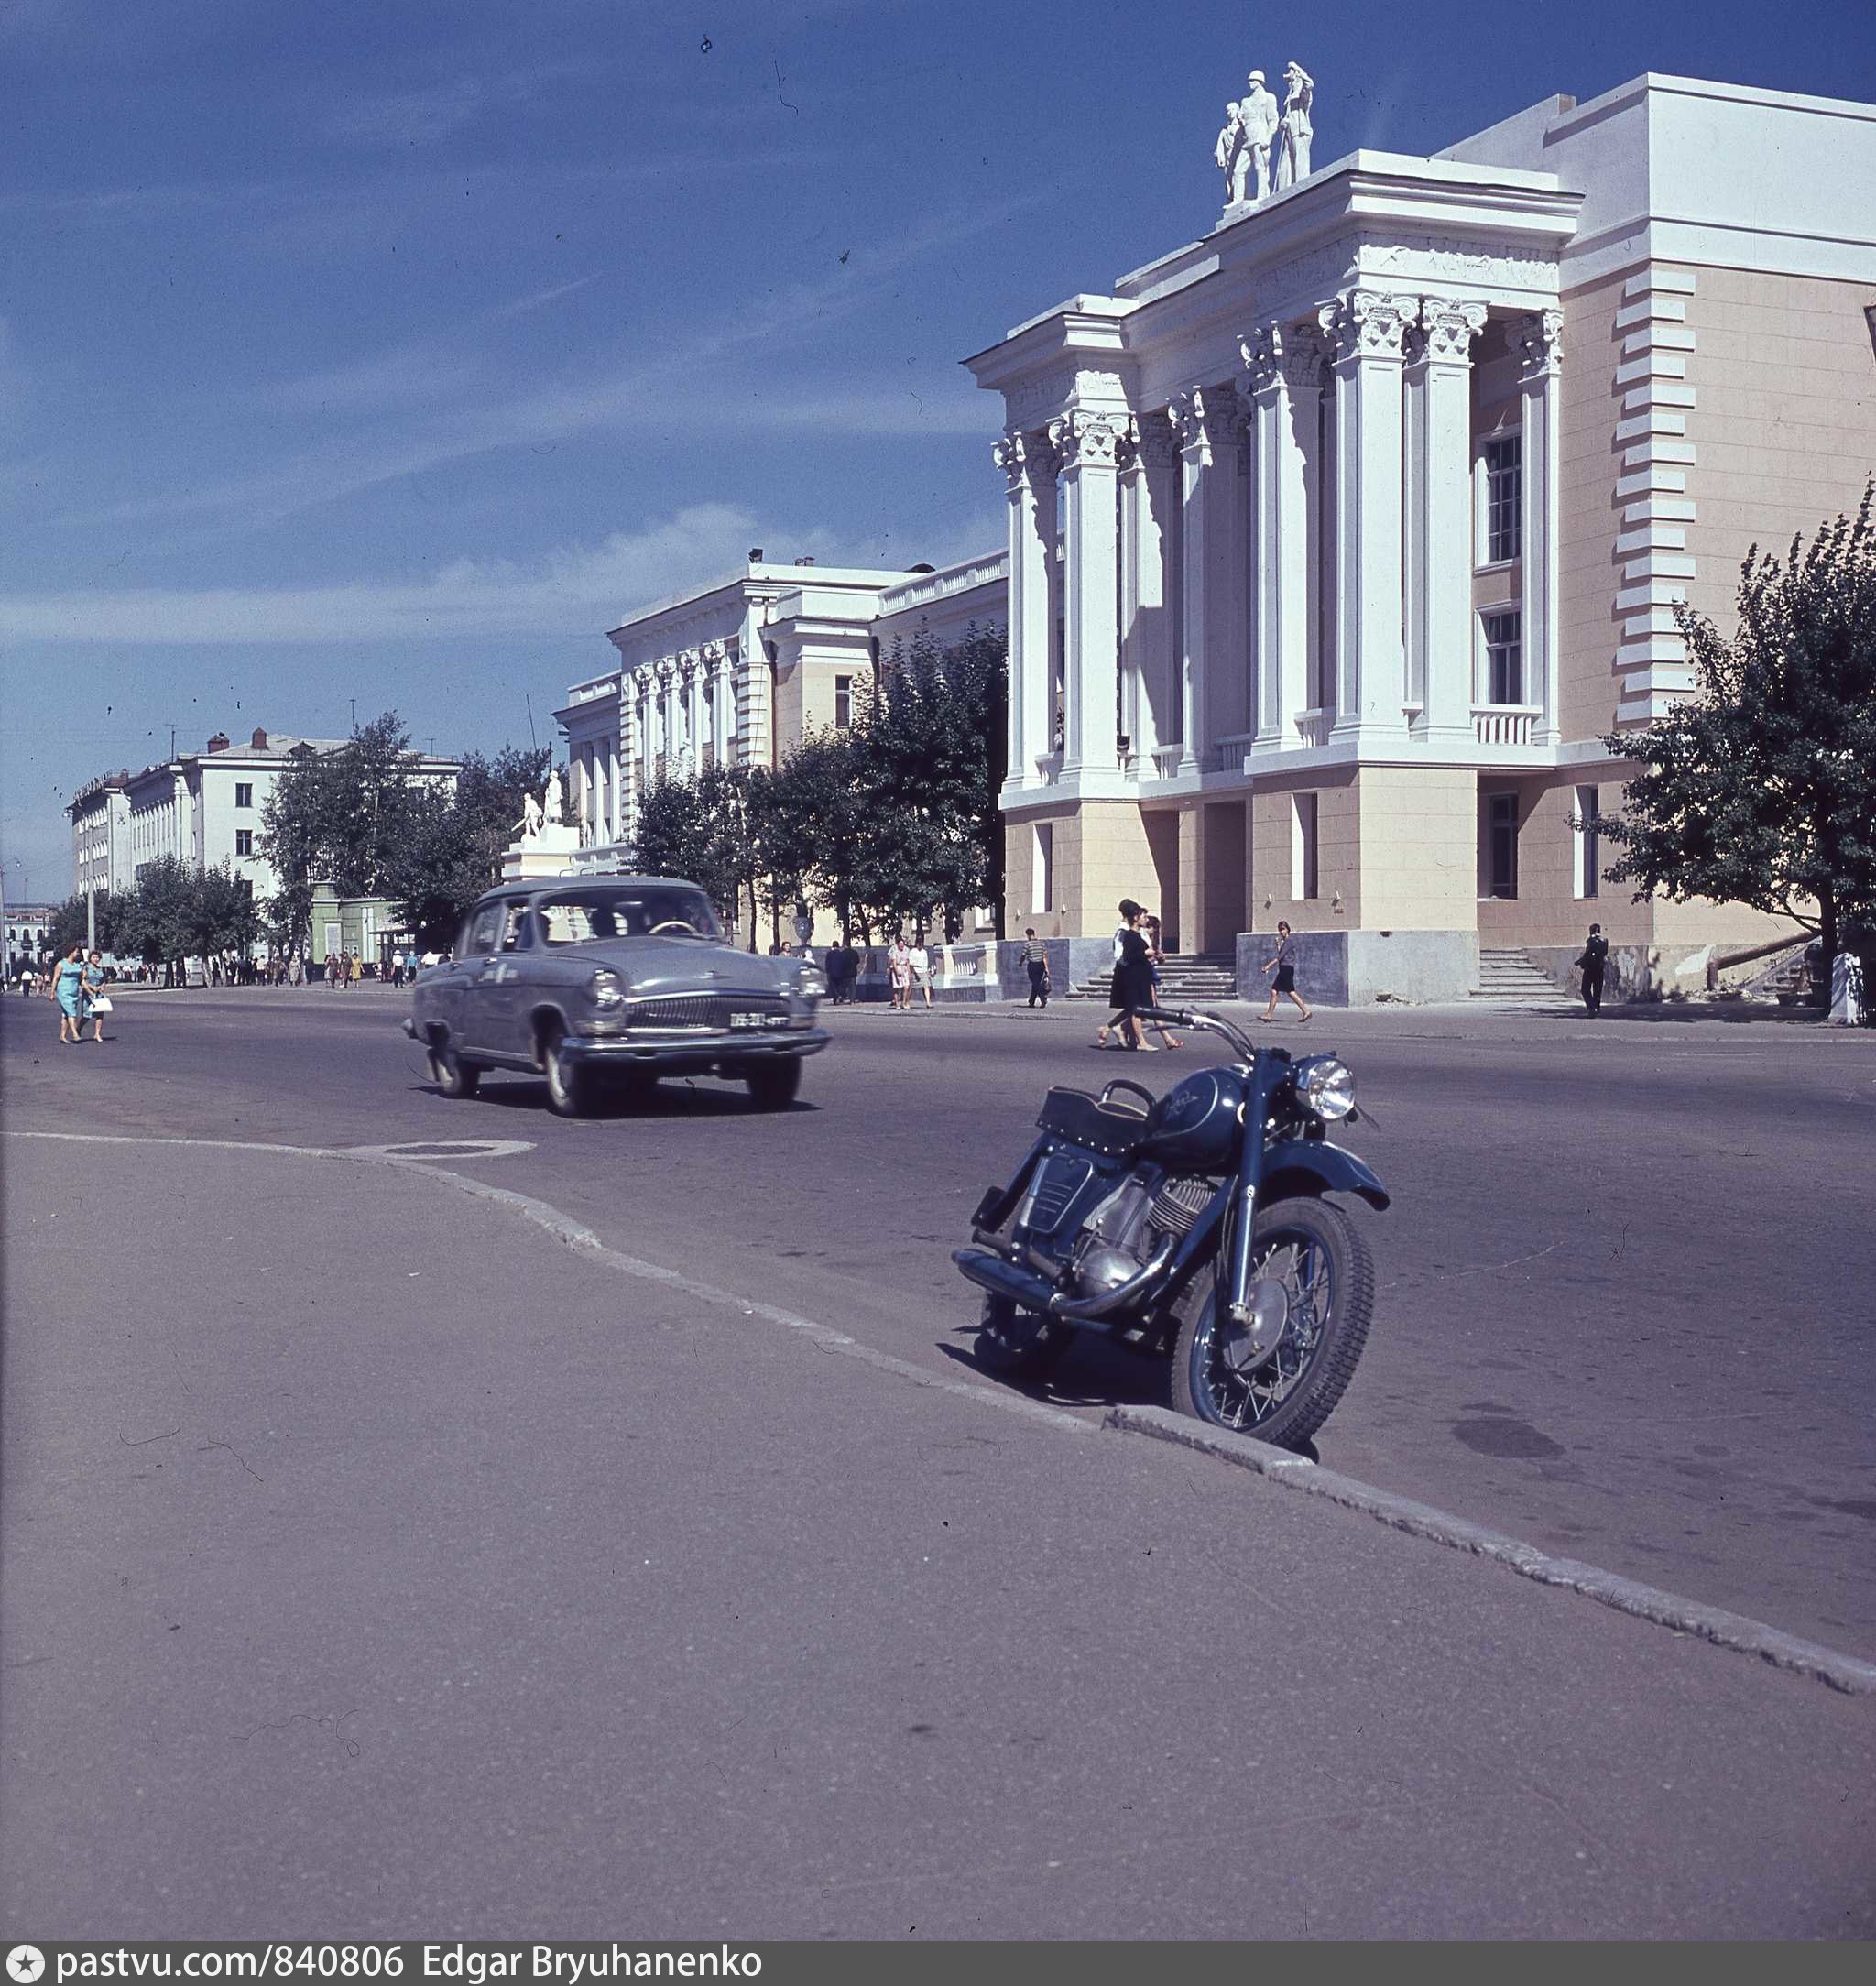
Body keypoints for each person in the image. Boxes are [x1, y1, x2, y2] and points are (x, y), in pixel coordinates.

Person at [1096, 901, 1155, 1051]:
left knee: (1134, 1008)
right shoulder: (1124, 931)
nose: (1145, 918)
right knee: (1135, 1007)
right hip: (1128, 971)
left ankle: (1113, 1029)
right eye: (1140, 914)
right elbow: (1121, 955)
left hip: (1137, 970)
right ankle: (1133, 1038)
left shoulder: (1133, 931)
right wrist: (1141, 957)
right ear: (1133, 915)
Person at [1140, 914, 1183, 1049]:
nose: (1154, 931)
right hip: (1144, 975)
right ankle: (1167, 1039)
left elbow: (1155, 958)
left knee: (1143, 1009)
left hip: (1149, 975)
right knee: (1152, 1009)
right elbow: (1138, 956)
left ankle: (1118, 1029)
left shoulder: (1149, 940)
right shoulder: (1141, 938)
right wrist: (1151, 955)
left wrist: (1159, 957)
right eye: (1153, 928)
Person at [1260, 921, 1311, 1024]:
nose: (1281, 932)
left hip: (1286, 969)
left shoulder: (1288, 941)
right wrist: (1279, 946)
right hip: (1285, 968)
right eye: (1280, 930)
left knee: (1289, 992)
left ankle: (1306, 1011)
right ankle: (1269, 1014)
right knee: (1275, 991)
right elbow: (1283, 954)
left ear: (1287, 929)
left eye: (1283, 929)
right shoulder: (1286, 942)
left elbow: (1280, 957)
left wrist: (1267, 966)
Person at [49, 943, 85, 1044]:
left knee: (67, 1014)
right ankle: (75, 1034)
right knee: (72, 1012)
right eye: (76, 952)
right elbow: (55, 979)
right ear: (71, 952)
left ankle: (63, 1035)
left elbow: (81, 979)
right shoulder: (61, 964)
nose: (78, 954)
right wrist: (52, 992)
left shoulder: (77, 965)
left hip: (74, 992)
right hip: (63, 991)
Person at [1578, 922, 1609, 1017]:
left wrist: (1581, 962)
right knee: (1597, 989)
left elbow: (1588, 954)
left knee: (1585, 989)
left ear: (1592, 931)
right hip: (1600, 967)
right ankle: (1597, 1007)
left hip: (1590, 968)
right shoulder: (1605, 941)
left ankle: (1591, 1007)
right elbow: (1604, 953)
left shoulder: (1591, 941)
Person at [82, 949, 107, 1042]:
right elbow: (82, 981)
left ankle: (97, 1034)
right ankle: (78, 1029)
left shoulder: (100, 969)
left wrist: (102, 986)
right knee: (86, 1016)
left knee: (100, 1015)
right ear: (90, 958)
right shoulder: (86, 968)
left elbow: (104, 980)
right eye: (94, 957)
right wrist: (92, 987)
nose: (96, 959)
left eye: (97, 957)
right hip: (88, 994)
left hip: (99, 994)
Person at [1022, 928, 1050, 1009]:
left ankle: (1043, 999)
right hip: (1041, 965)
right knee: (1036, 983)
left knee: (1036, 983)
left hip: (1032, 965)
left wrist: (1020, 962)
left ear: (1028, 935)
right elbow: (1044, 956)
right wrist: (1046, 968)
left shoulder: (1028, 944)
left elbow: (1023, 955)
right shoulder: (1041, 943)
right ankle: (1031, 1002)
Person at [887, 934, 912, 1011]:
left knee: (906, 987)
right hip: (897, 968)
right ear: (897, 944)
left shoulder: (906, 950)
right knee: (897, 988)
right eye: (900, 944)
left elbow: (907, 962)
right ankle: (897, 1003)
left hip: (904, 968)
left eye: (903, 944)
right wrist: (896, 971)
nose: (902, 945)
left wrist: (909, 972)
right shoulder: (894, 950)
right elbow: (893, 962)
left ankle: (904, 1002)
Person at [908, 936, 933, 1010]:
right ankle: (906, 1001)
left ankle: (928, 1002)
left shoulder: (924, 952)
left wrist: (927, 972)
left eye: (921, 944)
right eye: (919, 944)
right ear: (916, 944)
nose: (920, 945)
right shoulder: (912, 951)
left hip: (923, 972)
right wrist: (914, 967)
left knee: (926, 986)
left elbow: (926, 962)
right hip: (915, 972)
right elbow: (910, 962)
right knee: (911, 988)